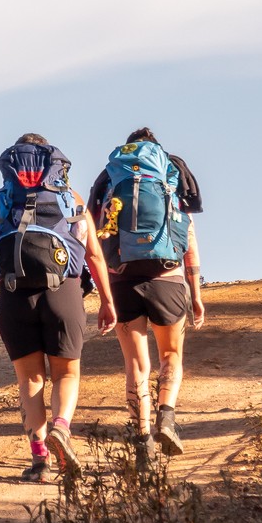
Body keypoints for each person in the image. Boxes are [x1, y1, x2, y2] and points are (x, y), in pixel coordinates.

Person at [0, 133, 116, 483]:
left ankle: (40, 459)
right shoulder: (71, 198)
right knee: (66, 373)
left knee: (30, 378)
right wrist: (107, 300)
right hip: (63, 292)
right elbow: (94, 254)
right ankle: (61, 428)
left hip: (13, 293)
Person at [88, 128, 205, 469]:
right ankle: (166, 417)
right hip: (166, 277)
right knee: (170, 355)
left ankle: (143, 439)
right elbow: (189, 239)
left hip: (122, 279)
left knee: (136, 366)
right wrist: (195, 295)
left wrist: (102, 291)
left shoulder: (111, 175)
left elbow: (96, 233)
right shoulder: (171, 172)